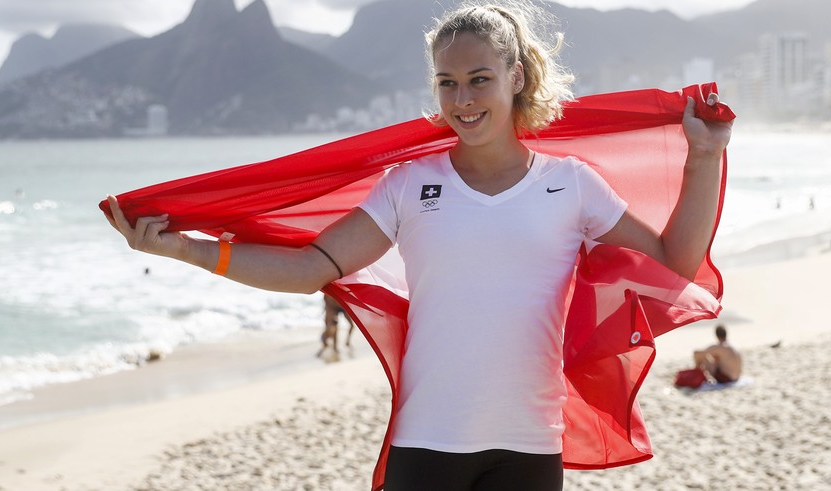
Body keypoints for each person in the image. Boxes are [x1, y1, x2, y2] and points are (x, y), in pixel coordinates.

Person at [105, 1, 732, 489]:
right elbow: (311, 267)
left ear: (515, 77)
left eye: (479, 79)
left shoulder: (570, 185)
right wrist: (189, 250)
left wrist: (703, 160)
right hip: (427, 441)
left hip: (530, 442)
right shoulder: (409, 184)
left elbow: (674, 264)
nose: (463, 100)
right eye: (446, 83)